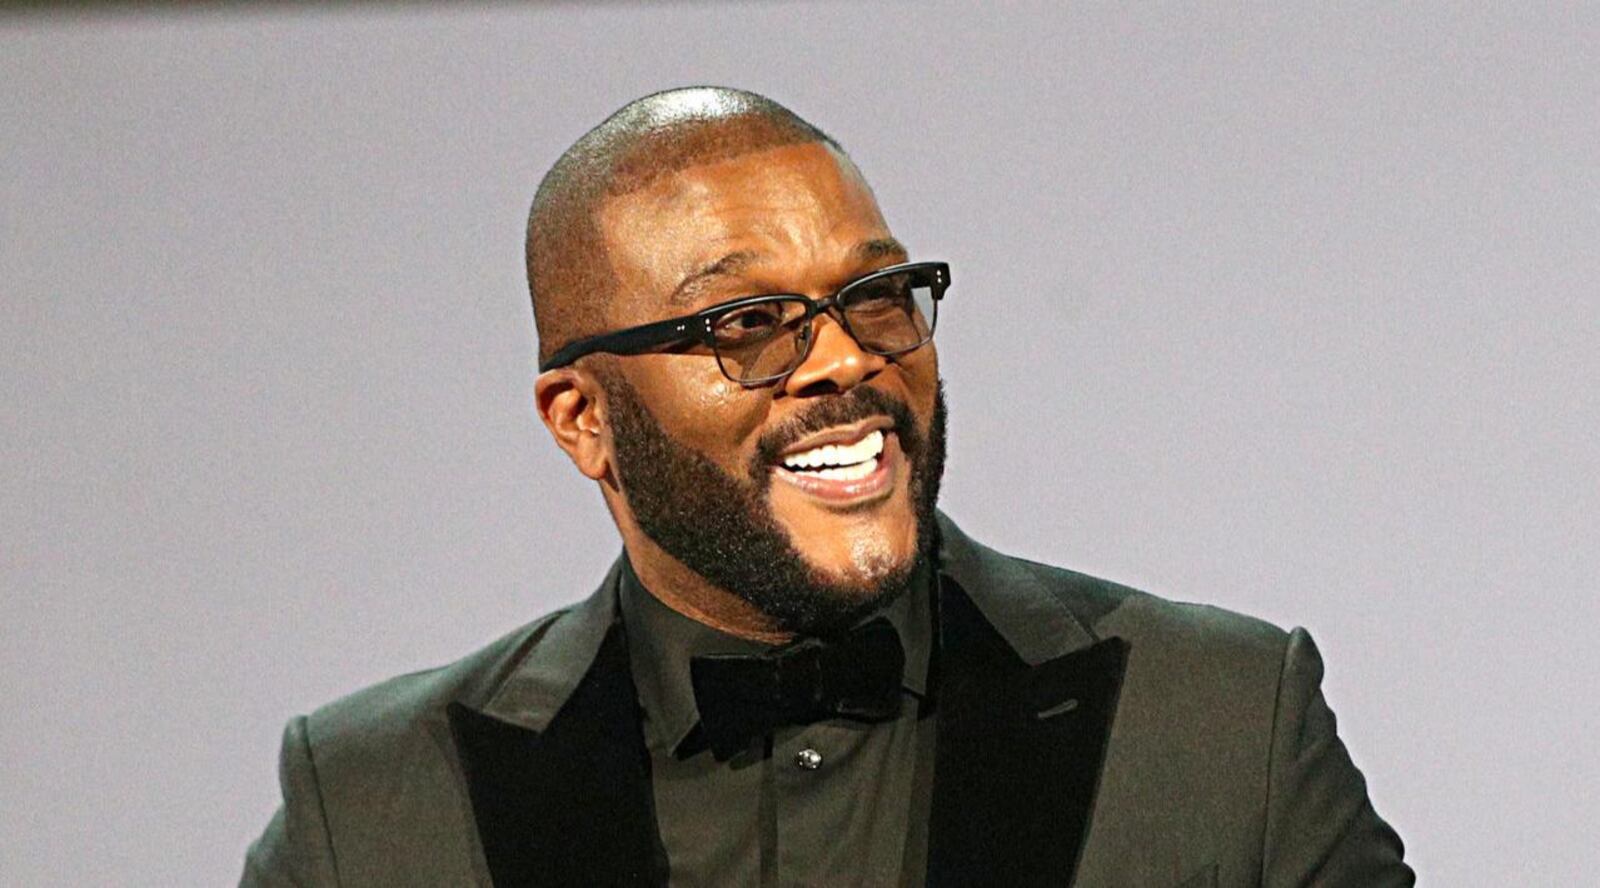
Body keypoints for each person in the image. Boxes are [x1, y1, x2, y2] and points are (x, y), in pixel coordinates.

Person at [241, 87, 1413, 887]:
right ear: (584, 419)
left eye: (876, 295)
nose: (848, 358)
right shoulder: (377, 810)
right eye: (747, 323)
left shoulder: (1218, 723)